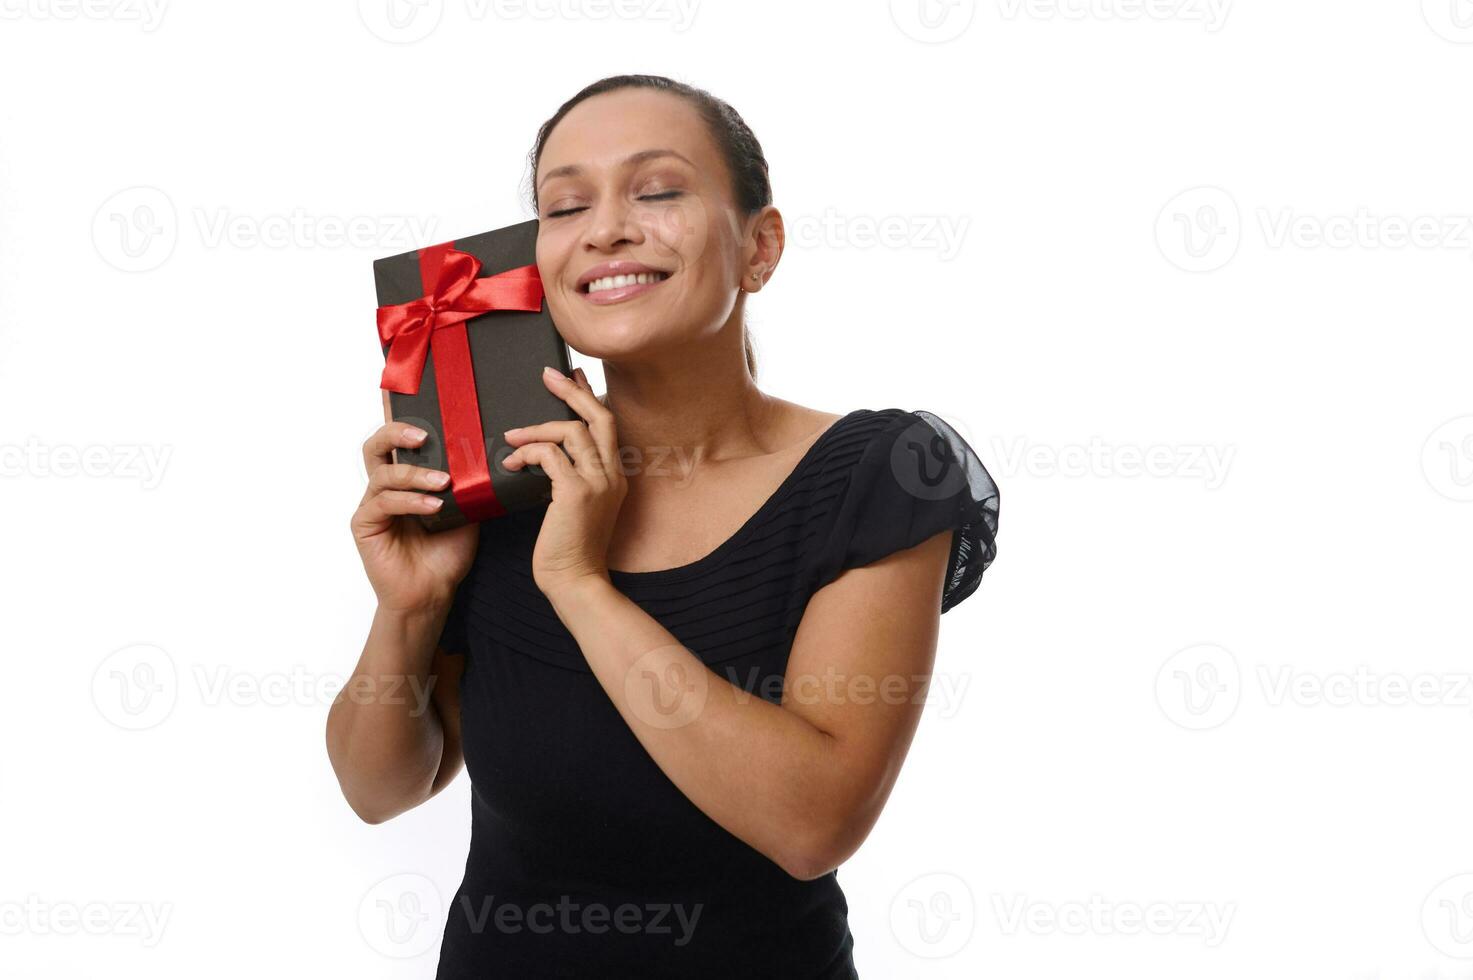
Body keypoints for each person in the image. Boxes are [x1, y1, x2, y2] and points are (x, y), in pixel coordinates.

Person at [327, 74, 1000, 979]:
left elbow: (811, 825)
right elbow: (380, 791)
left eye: (657, 190)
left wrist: (578, 583)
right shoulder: (513, 473)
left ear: (760, 247)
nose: (604, 228)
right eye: (565, 205)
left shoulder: (874, 473)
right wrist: (408, 609)